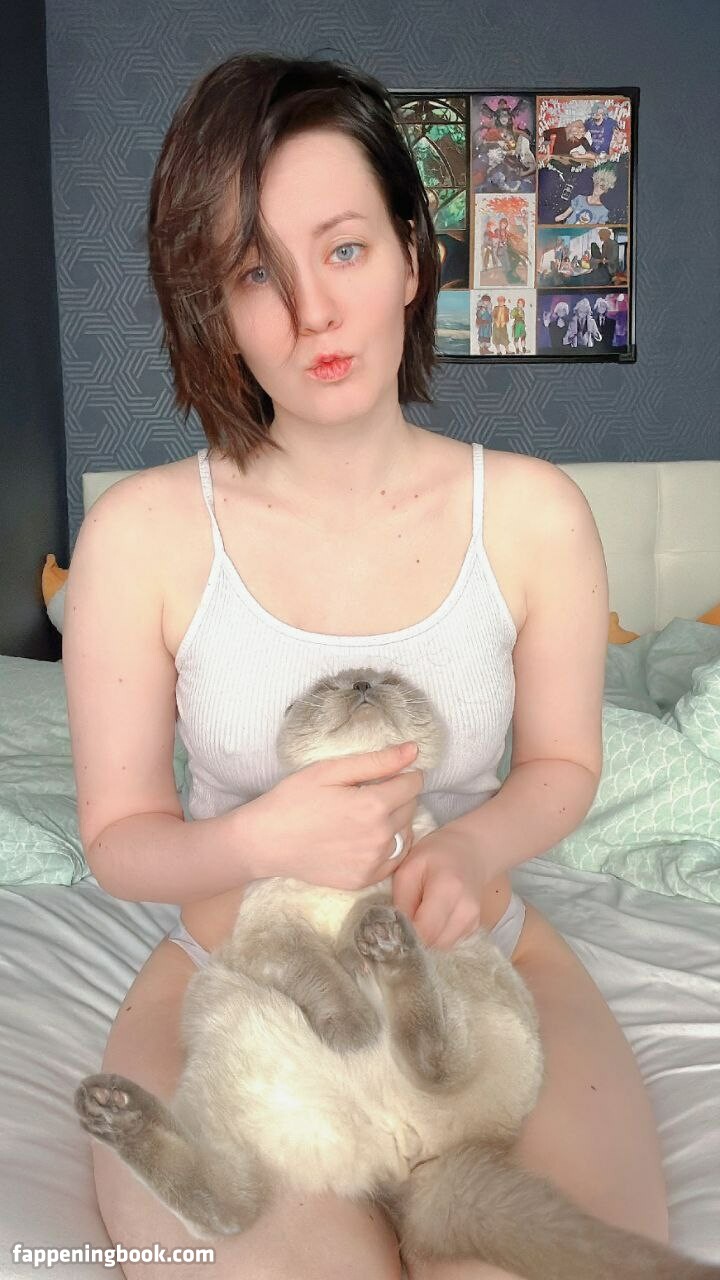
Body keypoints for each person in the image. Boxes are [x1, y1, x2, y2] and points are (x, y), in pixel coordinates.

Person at [63, 52, 670, 1280]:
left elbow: (562, 762)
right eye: (255, 273)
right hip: (241, 980)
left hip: (478, 973)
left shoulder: (535, 515)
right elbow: (119, 838)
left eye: (343, 249)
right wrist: (259, 837)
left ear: (411, 257)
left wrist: (474, 847)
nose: (312, 315)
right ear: (216, 306)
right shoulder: (139, 533)